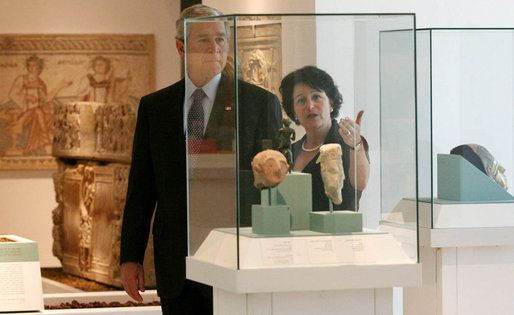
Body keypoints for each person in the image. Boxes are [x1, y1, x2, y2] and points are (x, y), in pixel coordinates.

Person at [119, 4, 282, 315]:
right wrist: (130, 256)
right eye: (204, 40)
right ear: (181, 47)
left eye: (220, 39)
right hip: (175, 263)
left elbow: (272, 188)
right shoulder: (156, 107)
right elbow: (141, 188)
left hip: (235, 259)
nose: (214, 48)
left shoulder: (258, 104)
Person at [279, 65, 370, 211]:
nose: (310, 106)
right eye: (301, 100)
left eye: (316, 97)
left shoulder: (348, 144)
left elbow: (361, 183)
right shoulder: (289, 151)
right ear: (293, 111)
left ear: (331, 104)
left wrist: (356, 145)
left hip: (337, 231)